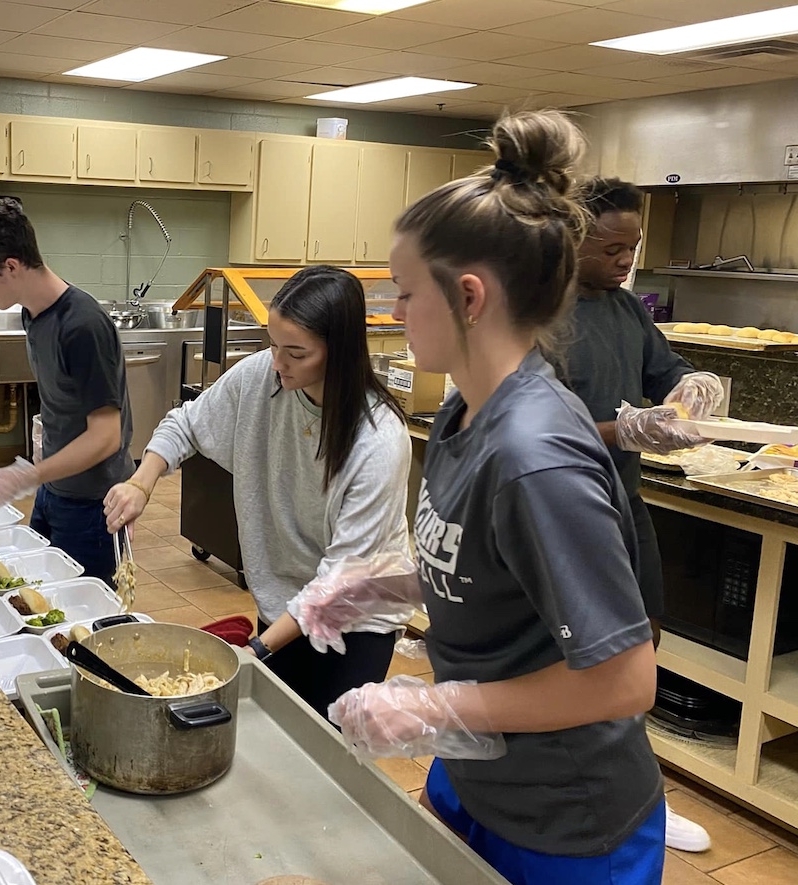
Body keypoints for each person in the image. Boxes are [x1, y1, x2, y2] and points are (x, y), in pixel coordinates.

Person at [291, 111, 666, 884]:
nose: (394, 316)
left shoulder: (536, 454)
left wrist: (433, 707)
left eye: (403, 293)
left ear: (468, 297)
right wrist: (378, 586)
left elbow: (625, 678)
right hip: (475, 777)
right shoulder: (466, 408)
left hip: (566, 820)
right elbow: (492, 563)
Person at [102, 265, 413, 718]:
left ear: (339, 352)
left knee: (323, 753)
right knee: (277, 730)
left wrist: (256, 651)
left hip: (355, 623)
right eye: (272, 344)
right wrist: (141, 482)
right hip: (285, 604)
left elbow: (339, 584)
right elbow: (186, 423)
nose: (278, 362)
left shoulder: (378, 441)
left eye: (296, 352)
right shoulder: (261, 378)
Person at [559, 176, 723, 854]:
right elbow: (530, 427)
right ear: (571, 240)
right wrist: (622, 432)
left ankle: (636, 787)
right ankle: (580, 787)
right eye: (611, 247)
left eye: (634, 247)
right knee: (575, 660)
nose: (625, 260)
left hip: (624, 502)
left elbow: (665, 373)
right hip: (562, 508)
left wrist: (690, 385)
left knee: (640, 645)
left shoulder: (626, 311)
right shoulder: (544, 314)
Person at [0, 197, 134, 583]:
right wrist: (32, 472)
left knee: (90, 622)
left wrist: (23, 478)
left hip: (94, 504)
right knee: (40, 596)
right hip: (55, 490)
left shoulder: (82, 325)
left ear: (11, 266)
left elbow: (105, 437)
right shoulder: (32, 314)